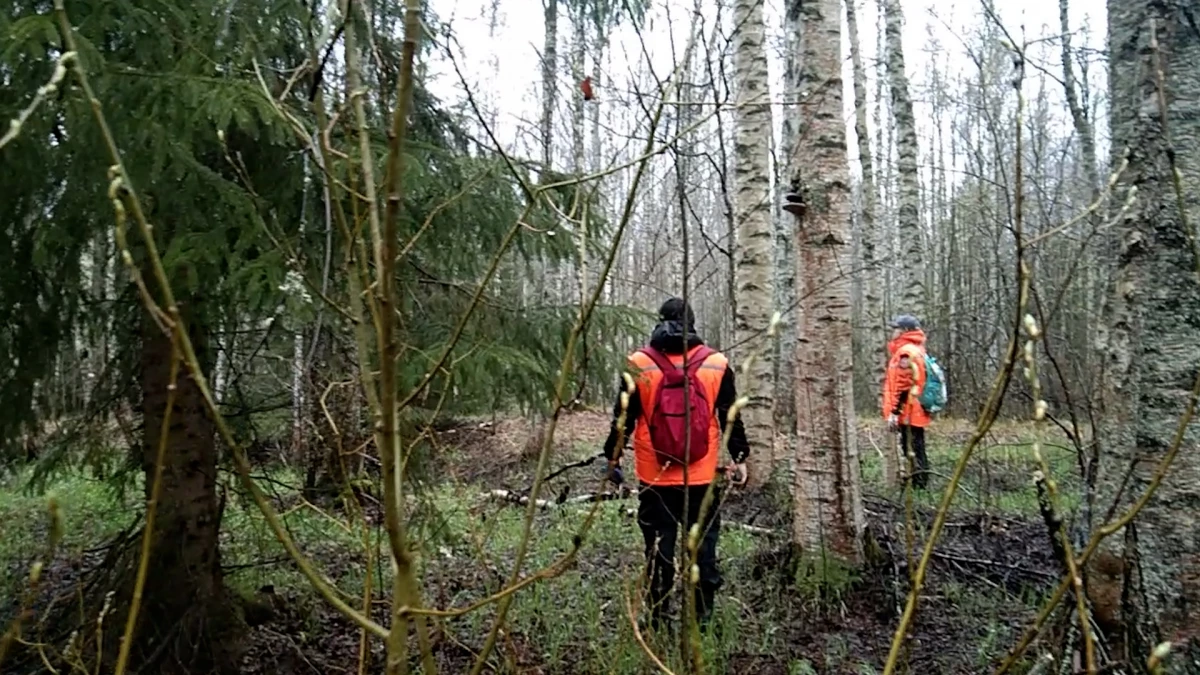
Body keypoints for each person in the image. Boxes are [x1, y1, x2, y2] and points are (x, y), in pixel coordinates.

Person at [601, 297, 750, 632]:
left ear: (659, 321)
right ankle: (702, 619)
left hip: (654, 477)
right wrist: (740, 457)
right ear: (693, 324)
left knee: (659, 548)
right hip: (702, 475)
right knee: (704, 544)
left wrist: (613, 457)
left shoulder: (638, 362)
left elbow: (622, 418)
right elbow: (730, 415)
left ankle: (657, 618)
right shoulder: (716, 363)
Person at [883, 314, 931, 489]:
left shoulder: (905, 353)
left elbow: (904, 385)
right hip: (914, 408)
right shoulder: (916, 349)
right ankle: (918, 483)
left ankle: (919, 485)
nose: (892, 332)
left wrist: (895, 412)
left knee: (911, 447)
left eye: (895, 328)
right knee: (916, 445)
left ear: (904, 331)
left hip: (909, 409)